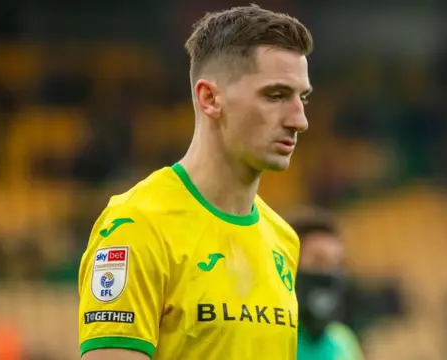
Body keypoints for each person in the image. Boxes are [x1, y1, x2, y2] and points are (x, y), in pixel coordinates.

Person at [78, 4, 313, 360]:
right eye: (276, 95)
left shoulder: (284, 240)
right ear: (210, 98)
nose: (300, 120)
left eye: (302, 97)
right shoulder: (137, 226)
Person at [288, 209, 365, 360]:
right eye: (318, 261)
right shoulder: (269, 336)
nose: (329, 273)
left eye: (337, 264)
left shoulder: (343, 340)